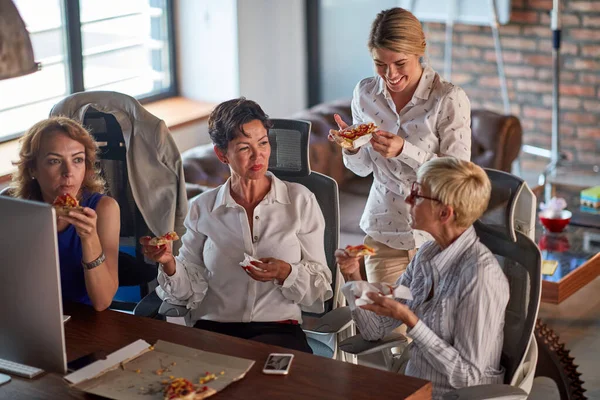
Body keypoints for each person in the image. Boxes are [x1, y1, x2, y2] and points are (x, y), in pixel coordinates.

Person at [141, 98, 332, 353]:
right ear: (221, 154)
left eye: (263, 143)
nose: (258, 155)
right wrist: (168, 262)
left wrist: (286, 272)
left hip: (279, 330)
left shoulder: (300, 201)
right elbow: (186, 291)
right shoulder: (202, 208)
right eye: (244, 148)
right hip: (215, 330)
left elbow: (319, 289)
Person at [336, 157, 509, 399]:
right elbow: (373, 330)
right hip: (413, 387)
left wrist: (412, 321)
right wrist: (352, 273)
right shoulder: (426, 255)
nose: (408, 200)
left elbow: (468, 377)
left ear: (444, 213)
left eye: (417, 194)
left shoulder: (481, 276)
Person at [331, 7, 471, 284]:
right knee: (388, 326)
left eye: (399, 63)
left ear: (420, 51)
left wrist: (404, 150)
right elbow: (361, 171)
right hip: (384, 231)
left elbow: (459, 177)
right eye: (380, 64)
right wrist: (352, 147)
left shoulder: (448, 99)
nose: (390, 74)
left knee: (434, 326)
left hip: (438, 235)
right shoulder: (365, 94)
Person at [11, 117, 120, 311]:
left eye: (77, 160)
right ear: (33, 168)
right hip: (29, 314)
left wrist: (89, 238)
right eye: (54, 161)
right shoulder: (13, 206)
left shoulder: (105, 208)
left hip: (84, 320)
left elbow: (102, 302)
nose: (69, 172)